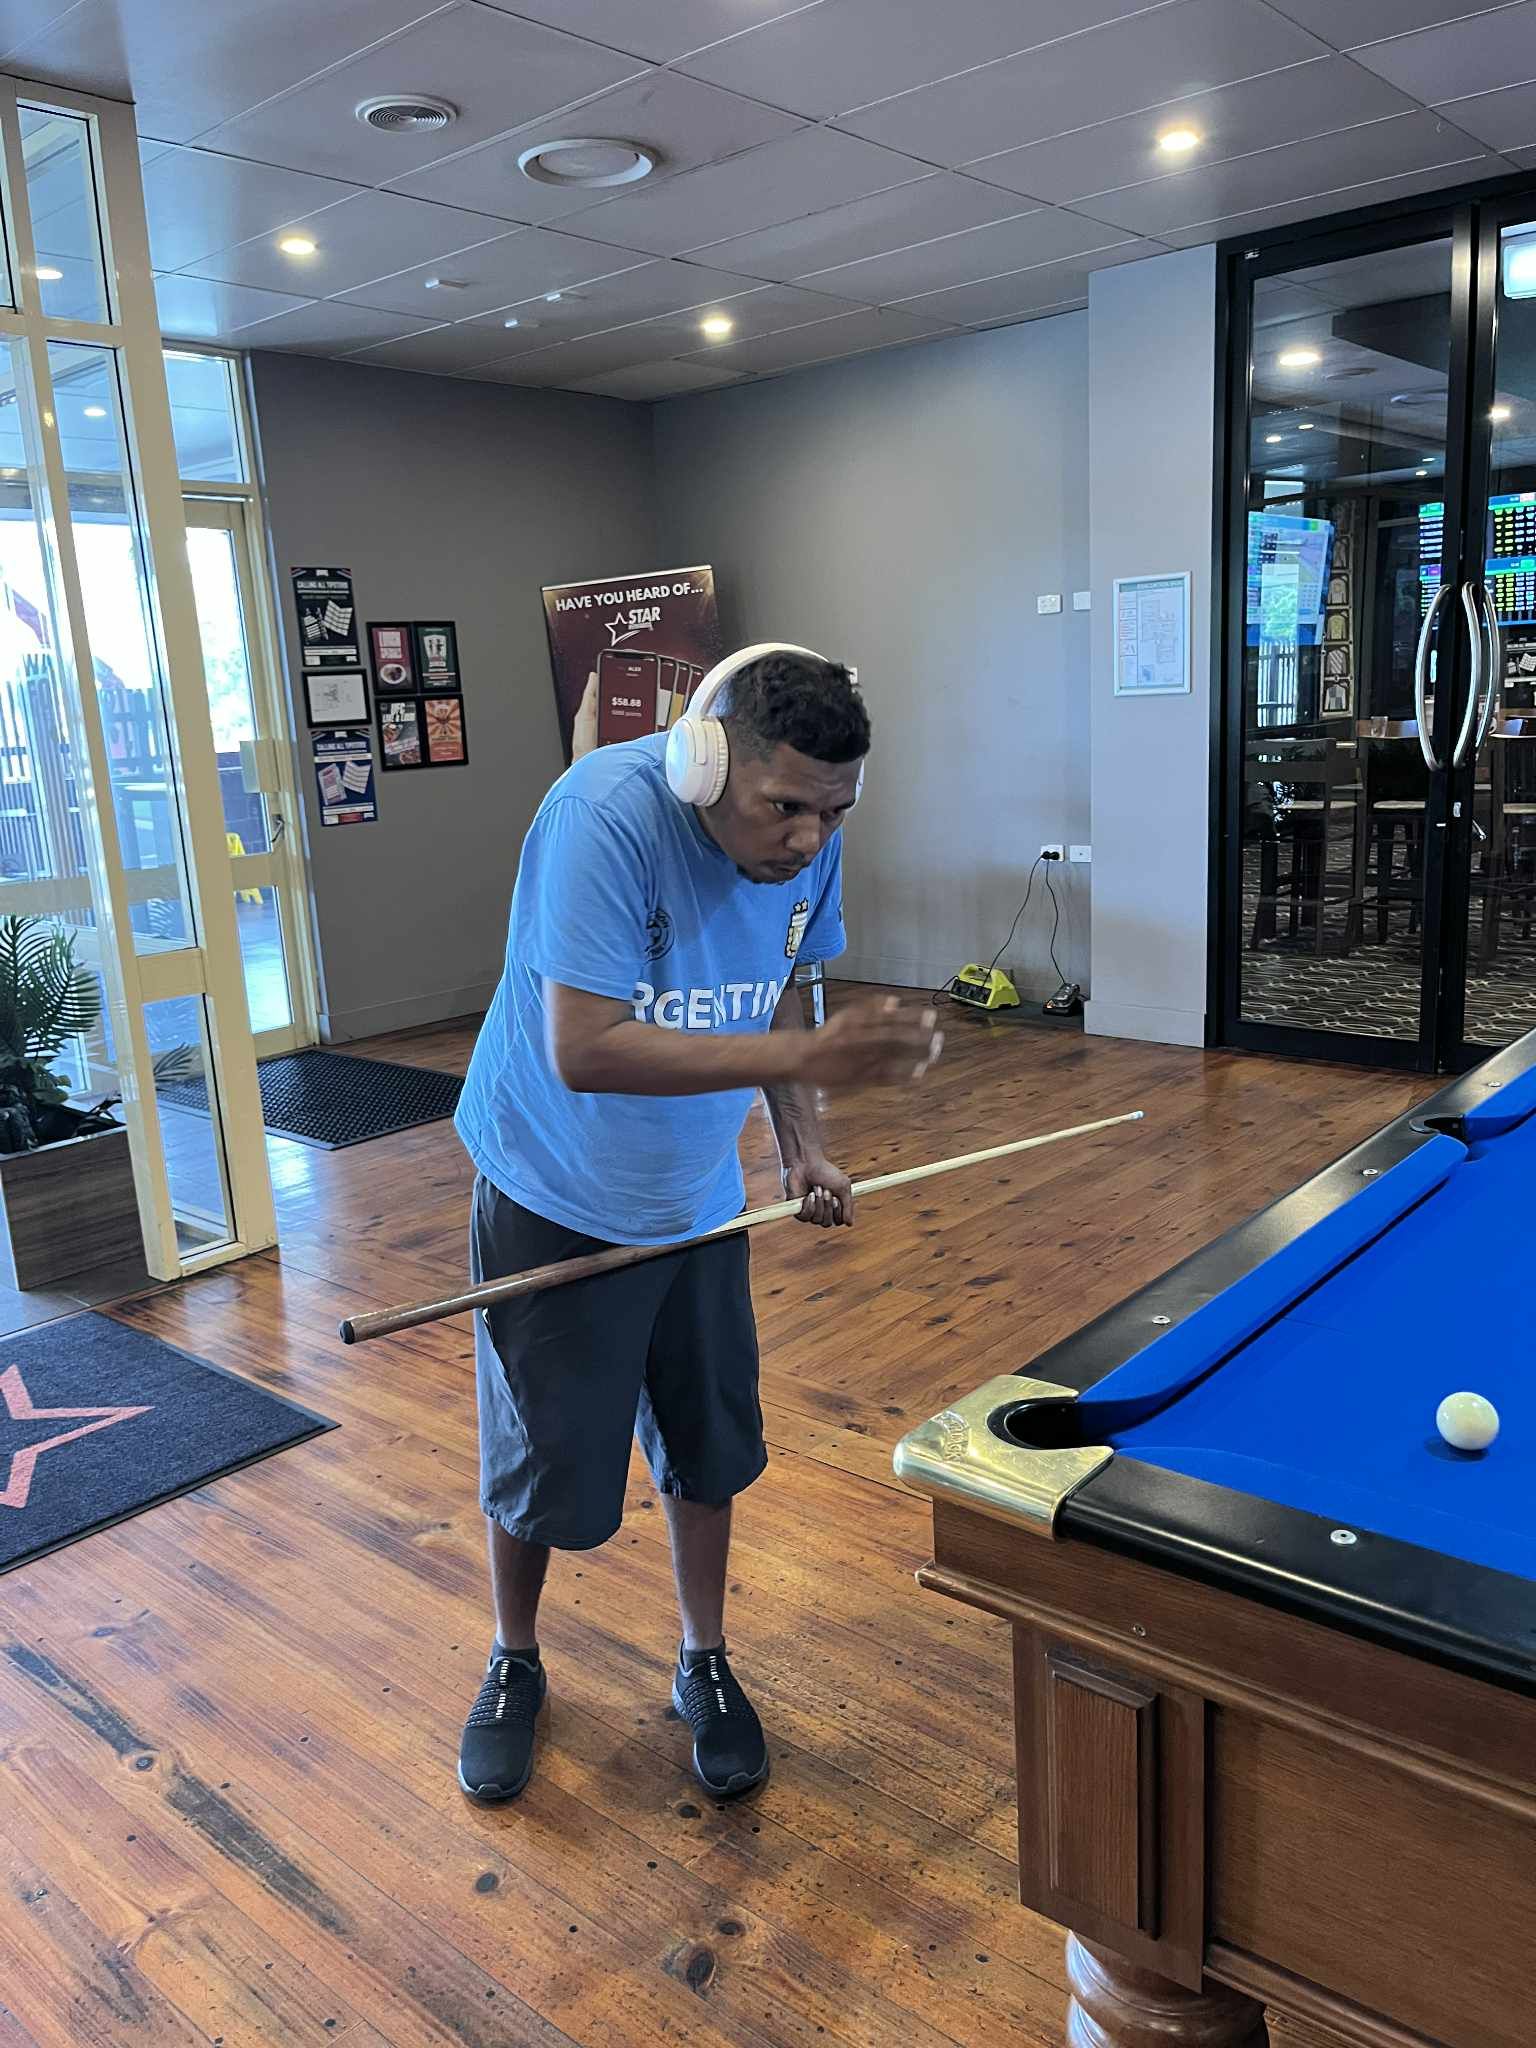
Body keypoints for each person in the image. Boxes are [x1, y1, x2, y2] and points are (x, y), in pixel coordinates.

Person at [452, 643, 943, 1805]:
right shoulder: (601, 819)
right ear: (706, 764)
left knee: (706, 1442)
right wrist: (808, 1055)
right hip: (555, 1186)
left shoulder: (808, 836)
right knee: (541, 1458)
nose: (810, 839)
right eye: (786, 807)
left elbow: (779, 995)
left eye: (836, 812)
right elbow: (585, 1046)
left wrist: (800, 1140)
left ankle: (703, 1658)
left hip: (696, 1204)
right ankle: (514, 1657)